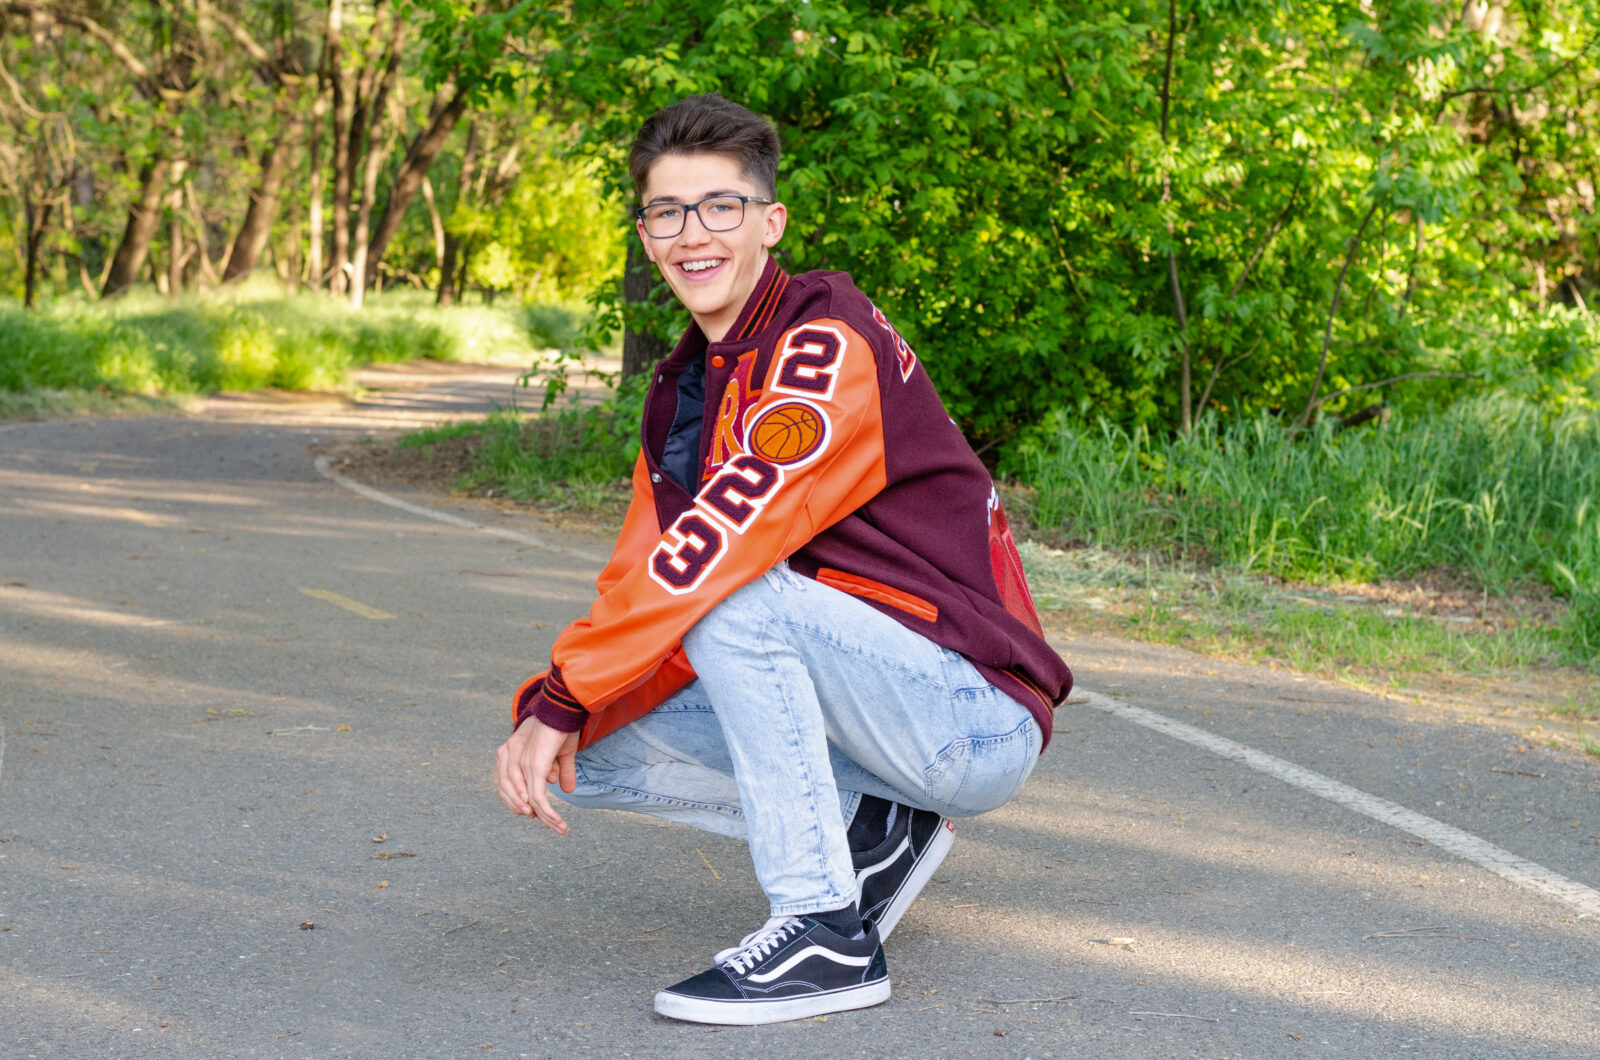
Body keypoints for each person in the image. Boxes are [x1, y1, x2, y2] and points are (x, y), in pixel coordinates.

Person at [494, 93, 1072, 1026]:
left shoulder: (819, 345)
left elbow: (713, 559)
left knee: (728, 602)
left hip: (967, 711)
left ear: (770, 223)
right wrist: (559, 707)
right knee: (574, 754)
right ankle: (877, 830)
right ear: (645, 236)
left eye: (720, 207)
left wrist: (572, 690)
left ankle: (822, 930)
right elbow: (644, 571)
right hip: (876, 710)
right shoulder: (684, 388)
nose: (693, 234)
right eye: (666, 212)